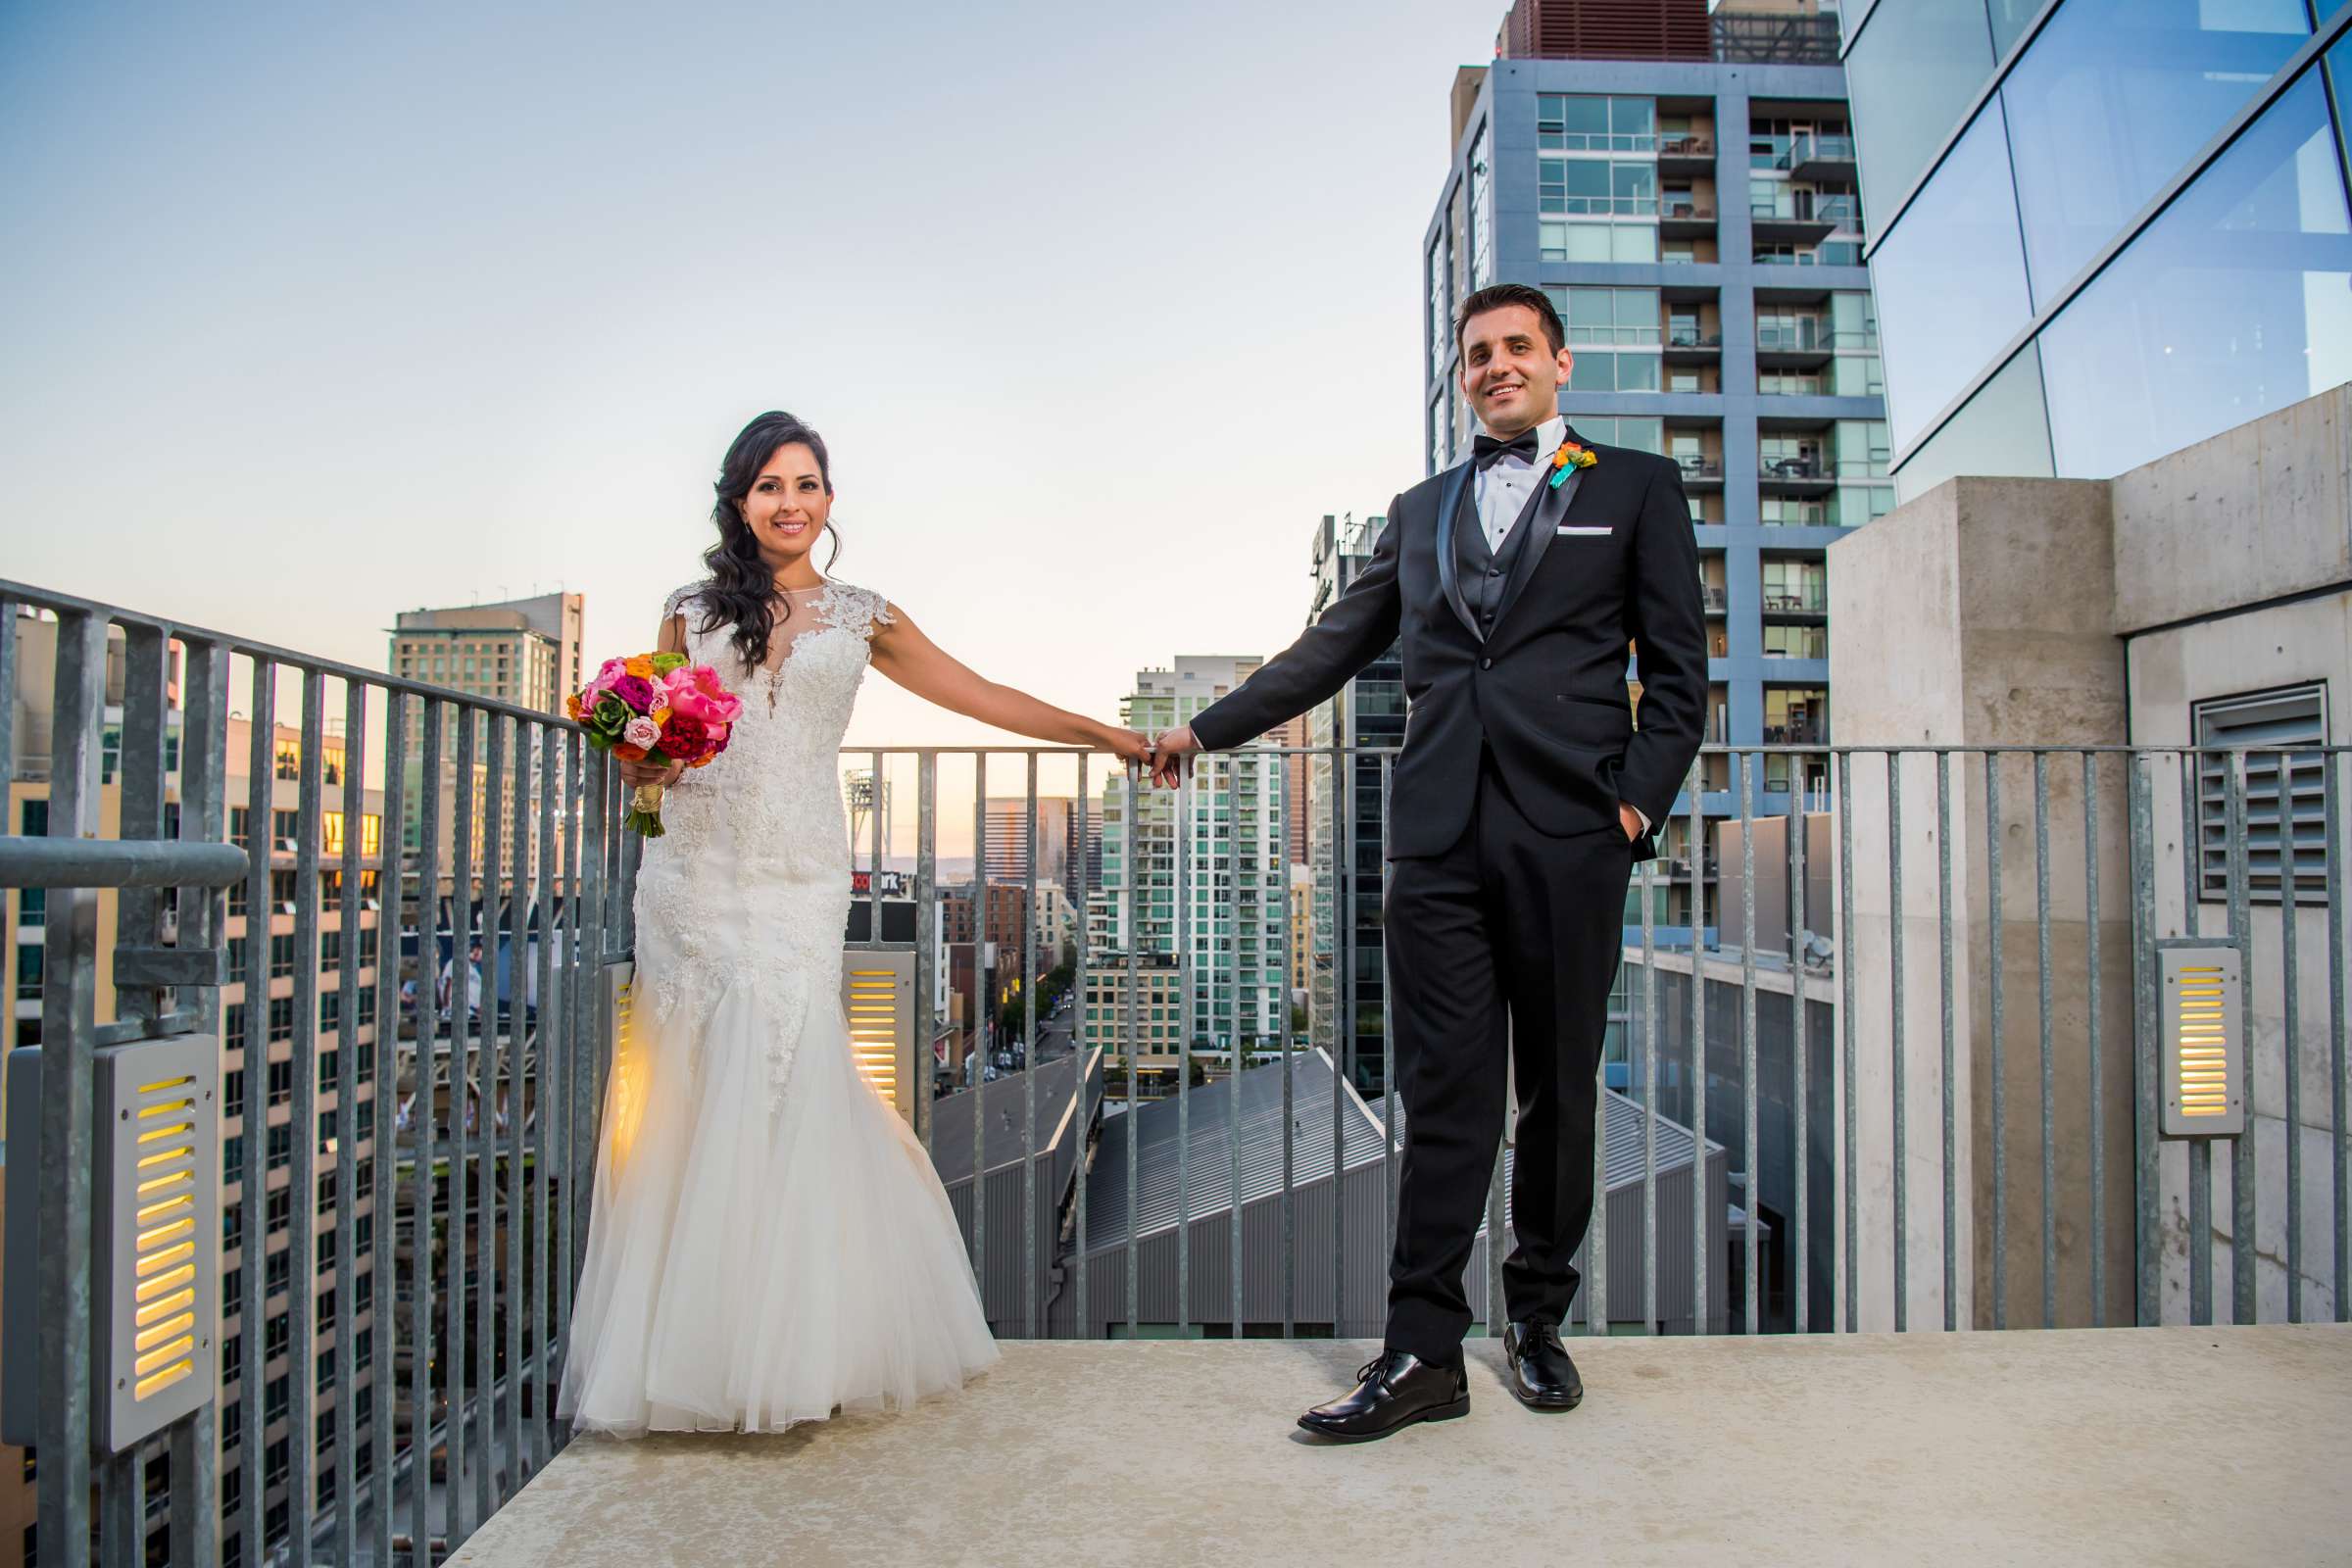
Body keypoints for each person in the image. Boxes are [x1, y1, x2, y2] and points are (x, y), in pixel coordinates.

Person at [1150, 283, 1705, 1442]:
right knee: (1446, 1094)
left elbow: (1681, 678)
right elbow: (1328, 650)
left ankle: (1540, 1320)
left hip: (1570, 835)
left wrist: (1633, 811)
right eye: (1476, 355)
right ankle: (1421, 1352)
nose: (1496, 366)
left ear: (1558, 361)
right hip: (1436, 839)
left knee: (1557, 1092)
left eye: (1516, 348)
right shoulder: (1420, 508)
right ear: (1463, 377)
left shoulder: (1637, 488)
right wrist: (1202, 731)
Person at [558, 411, 1152, 1437]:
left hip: (796, 874)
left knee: (789, 1077)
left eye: (807, 484)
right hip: (692, 872)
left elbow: (980, 694)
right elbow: (646, 760)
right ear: (738, 502)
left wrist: (1106, 733)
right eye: (768, 486)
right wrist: (643, 762)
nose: (789, 503)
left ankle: (792, 1353)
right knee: (691, 1094)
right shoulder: (686, 609)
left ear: (830, 501)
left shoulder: (864, 614)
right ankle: (688, 1358)